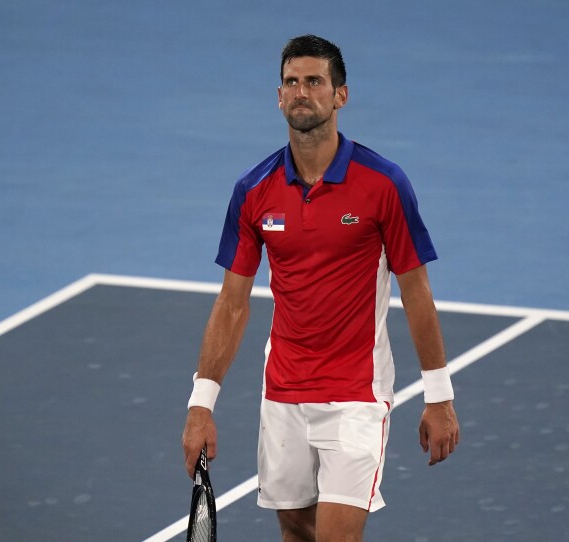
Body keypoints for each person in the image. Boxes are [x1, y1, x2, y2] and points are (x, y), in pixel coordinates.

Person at [182, 34, 459, 542]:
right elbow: (233, 302)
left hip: (357, 394)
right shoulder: (253, 190)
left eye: (315, 81)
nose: (302, 91)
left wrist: (439, 396)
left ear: (340, 95)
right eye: (292, 82)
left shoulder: (383, 184)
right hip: (283, 391)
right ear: (279, 95)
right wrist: (201, 404)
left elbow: (416, 290)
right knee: (296, 535)